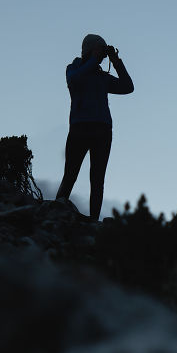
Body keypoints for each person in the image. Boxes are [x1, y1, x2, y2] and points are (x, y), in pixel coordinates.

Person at [55, 33, 134, 220]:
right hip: (79, 128)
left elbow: (128, 87)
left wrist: (116, 61)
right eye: (99, 50)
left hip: (102, 130)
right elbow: (75, 80)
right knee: (70, 174)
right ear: (88, 50)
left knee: (97, 180)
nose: (101, 56)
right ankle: (55, 213)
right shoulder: (73, 68)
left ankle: (93, 222)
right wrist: (92, 60)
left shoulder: (102, 77)